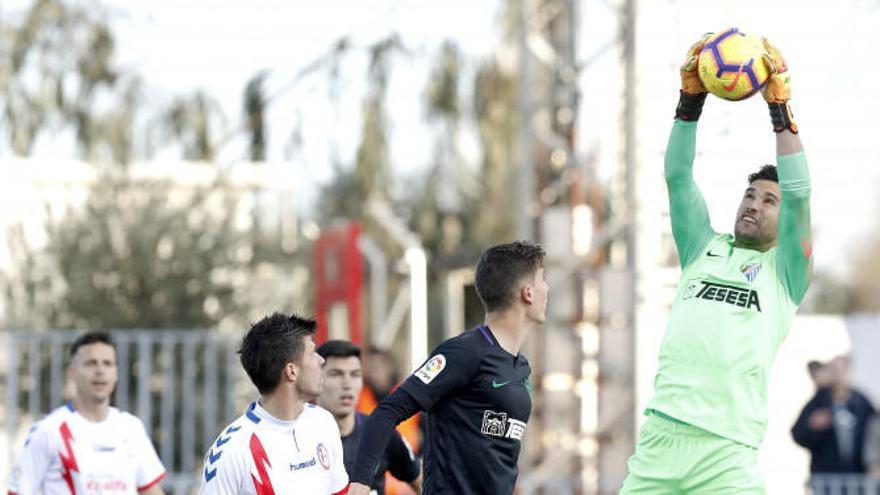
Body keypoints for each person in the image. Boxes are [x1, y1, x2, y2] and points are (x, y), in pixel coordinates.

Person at [619, 33, 813, 494]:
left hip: (727, 455)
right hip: (661, 442)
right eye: (750, 194)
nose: (753, 204)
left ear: (785, 222)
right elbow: (678, 175)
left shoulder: (786, 274)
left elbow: (800, 193)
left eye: (769, 200)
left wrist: (779, 107)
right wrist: (690, 101)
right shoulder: (701, 247)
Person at [349, 241, 547, 495]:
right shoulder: (464, 352)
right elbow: (387, 412)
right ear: (527, 292)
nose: (548, 288)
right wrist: (360, 482)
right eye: (543, 278)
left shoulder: (520, 368)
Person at [198, 312, 348, 495]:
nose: (321, 360)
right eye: (312, 353)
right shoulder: (232, 450)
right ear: (291, 371)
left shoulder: (323, 422)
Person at [7, 331, 166, 495]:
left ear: (116, 373)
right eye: (91, 363)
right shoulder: (48, 431)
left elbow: (151, 491)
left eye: (107, 363)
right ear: (72, 372)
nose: (100, 370)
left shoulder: (131, 428)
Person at [317, 340, 422, 494]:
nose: (347, 384)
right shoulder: (298, 437)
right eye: (336, 374)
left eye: (355, 374)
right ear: (316, 378)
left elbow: (421, 481)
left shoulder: (379, 431)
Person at [792, 355, 875, 475]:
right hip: (826, 477)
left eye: (841, 371)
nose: (838, 375)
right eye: (834, 370)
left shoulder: (862, 402)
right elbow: (798, 433)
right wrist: (813, 427)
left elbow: (875, 431)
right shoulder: (819, 402)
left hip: (858, 477)